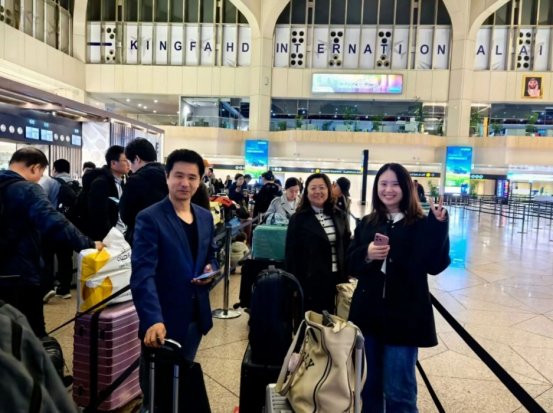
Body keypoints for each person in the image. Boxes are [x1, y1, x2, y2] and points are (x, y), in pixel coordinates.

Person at [346, 163, 450, 413]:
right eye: (383, 184)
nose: (388, 190)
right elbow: (350, 263)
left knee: (399, 393)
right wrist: (367, 254)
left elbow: (435, 265)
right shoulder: (367, 223)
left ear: (405, 188)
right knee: (368, 388)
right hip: (368, 317)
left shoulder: (420, 224)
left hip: (405, 318)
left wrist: (438, 227)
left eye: (395, 184)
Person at [130, 149, 218, 407]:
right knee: (156, 389)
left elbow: (211, 255)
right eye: (178, 176)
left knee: (183, 381)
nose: (185, 183)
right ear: (167, 177)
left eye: (192, 177)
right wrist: (152, 319)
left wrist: (210, 270)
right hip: (163, 320)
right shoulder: (150, 218)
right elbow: (143, 274)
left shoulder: (204, 216)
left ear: (200, 180)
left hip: (195, 316)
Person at [0, 147, 102, 338]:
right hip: (21, 274)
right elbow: (54, 222)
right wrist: (87, 244)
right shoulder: (28, 189)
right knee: (33, 333)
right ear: (35, 168)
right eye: (41, 173)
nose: (40, 178)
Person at [285, 173, 350, 313]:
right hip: (310, 281)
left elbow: (346, 246)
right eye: (313, 188)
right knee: (313, 321)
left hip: (337, 279)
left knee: (336, 321)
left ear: (328, 190)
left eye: (322, 187)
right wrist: (293, 285)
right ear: (306, 192)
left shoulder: (339, 215)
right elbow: (291, 254)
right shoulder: (298, 219)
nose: (318, 191)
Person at [40, 159, 81, 300]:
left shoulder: (50, 182)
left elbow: (41, 202)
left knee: (47, 257)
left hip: (51, 226)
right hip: (68, 226)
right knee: (65, 257)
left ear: (54, 169)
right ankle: (65, 288)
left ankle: (47, 288)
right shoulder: (75, 183)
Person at [119, 138, 168, 245]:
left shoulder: (135, 180)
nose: (130, 167)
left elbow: (126, 215)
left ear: (137, 159)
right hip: (169, 236)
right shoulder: (170, 176)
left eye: (129, 162)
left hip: (143, 237)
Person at [86, 145, 129, 240]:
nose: (128, 164)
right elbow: (99, 217)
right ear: (113, 163)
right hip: (109, 239)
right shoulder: (101, 183)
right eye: (125, 160)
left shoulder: (121, 182)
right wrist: (111, 237)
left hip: (121, 235)